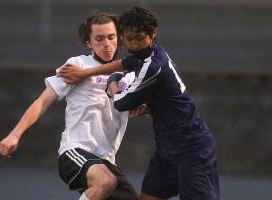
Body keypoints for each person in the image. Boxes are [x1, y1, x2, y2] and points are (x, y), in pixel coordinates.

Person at [57, 7, 220, 200]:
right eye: (129, 39)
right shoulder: (147, 54)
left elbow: (121, 102)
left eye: (139, 38)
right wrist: (85, 73)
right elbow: (126, 62)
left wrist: (112, 83)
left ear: (153, 34)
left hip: (193, 149)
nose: (134, 45)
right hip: (166, 150)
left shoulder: (153, 66)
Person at [0, 12, 141, 200]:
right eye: (99, 39)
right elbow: (42, 101)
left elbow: (139, 106)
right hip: (75, 151)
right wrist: (14, 135)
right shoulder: (78, 65)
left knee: (113, 184)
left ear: (119, 38)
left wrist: (142, 109)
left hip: (106, 160)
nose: (106, 44)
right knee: (105, 182)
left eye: (111, 37)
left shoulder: (129, 75)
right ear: (89, 42)